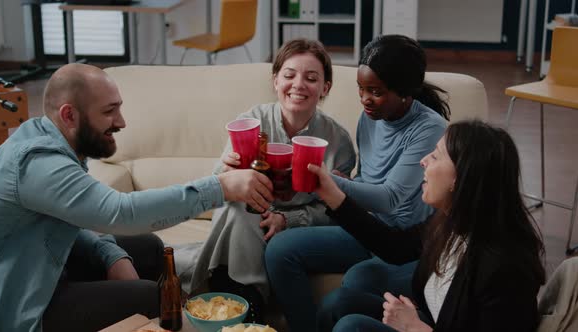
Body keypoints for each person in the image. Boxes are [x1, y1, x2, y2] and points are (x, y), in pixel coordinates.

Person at [0, 63, 274, 332]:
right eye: (109, 111)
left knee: (148, 248)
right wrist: (220, 188)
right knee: (150, 297)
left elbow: (69, 222)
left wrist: (111, 255)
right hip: (21, 303)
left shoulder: (54, 140)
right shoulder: (36, 163)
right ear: (69, 115)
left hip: (45, 265)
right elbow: (121, 213)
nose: (121, 122)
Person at [265, 35, 450, 331]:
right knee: (279, 250)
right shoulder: (370, 117)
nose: (365, 99)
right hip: (364, 228)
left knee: (358, 281)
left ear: (405, 92)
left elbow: (390, 198)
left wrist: (328, 184)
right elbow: (368, 179)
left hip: (401, 242)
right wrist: (346, 181)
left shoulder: (430, 129)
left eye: (375, 91)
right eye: (361, 89)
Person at [308, 120, 546, 332]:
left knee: (352, 327)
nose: (424, 161)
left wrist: (414, 327)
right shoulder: (453, 222)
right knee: (337, 303)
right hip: (434, 323)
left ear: (460, 178)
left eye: (435, 156)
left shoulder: (506, 267)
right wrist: (330, 194)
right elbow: (395, 246)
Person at [179, 39, 356, 323]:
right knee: (240, 210)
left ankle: (237, 304)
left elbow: (337, 211)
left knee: (243, 217)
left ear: (325, 88)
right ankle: (248, 303)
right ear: (275, 81)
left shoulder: (338, 142)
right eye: (289, 75)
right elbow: (216, 186)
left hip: (294, 229)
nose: (298, 84)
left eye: (311, 78)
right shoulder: (252, 121)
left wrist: (289, 220)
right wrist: (227, 171)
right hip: (248, 217)